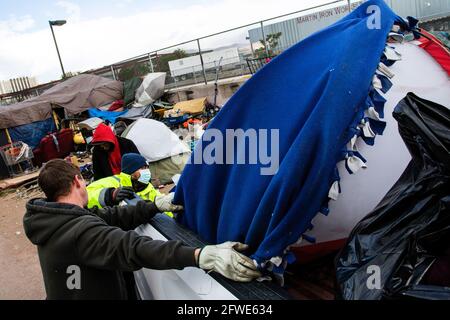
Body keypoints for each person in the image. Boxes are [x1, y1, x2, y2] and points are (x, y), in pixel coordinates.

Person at [23, 159, 261, 300]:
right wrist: (200, 255)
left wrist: (155, 205)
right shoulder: (79, 231)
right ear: (77, 181)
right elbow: (134, 248)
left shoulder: (54, 221)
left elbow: (112, 216)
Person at [86, 153, 174, 216]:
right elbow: (87, 195)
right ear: (130, 171)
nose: (146, 171)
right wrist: (110, 195)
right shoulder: (113, 182)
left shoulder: (147, 187)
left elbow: (161, 204)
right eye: (142, 168)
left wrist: (172, 217)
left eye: (147, 168)